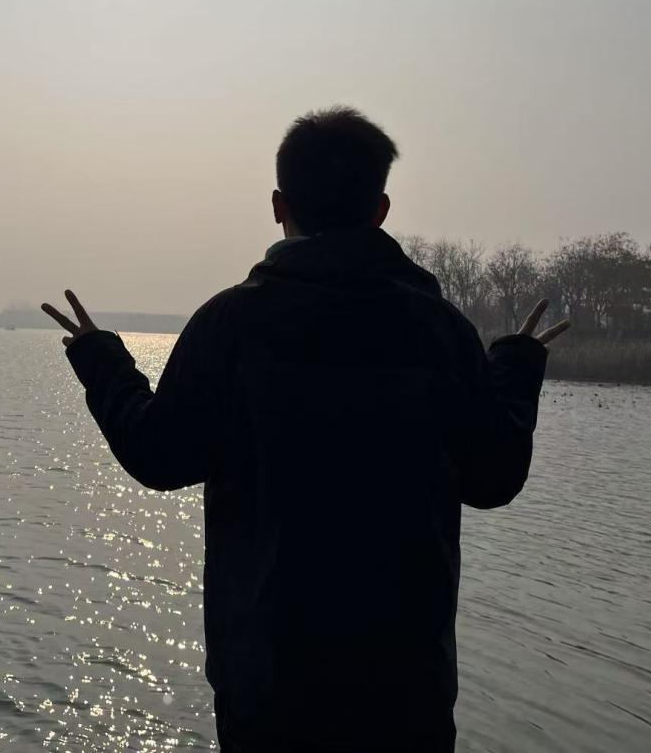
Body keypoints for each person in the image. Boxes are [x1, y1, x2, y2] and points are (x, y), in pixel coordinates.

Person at [42, 106, 569, 751]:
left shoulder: (231, 323)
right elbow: (493, 477)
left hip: (268, 686)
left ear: (278, 205)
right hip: (406, 687)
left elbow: (159, 455)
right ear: (380, 210)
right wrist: (515, 365)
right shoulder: (441, 331)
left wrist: (100, 361)